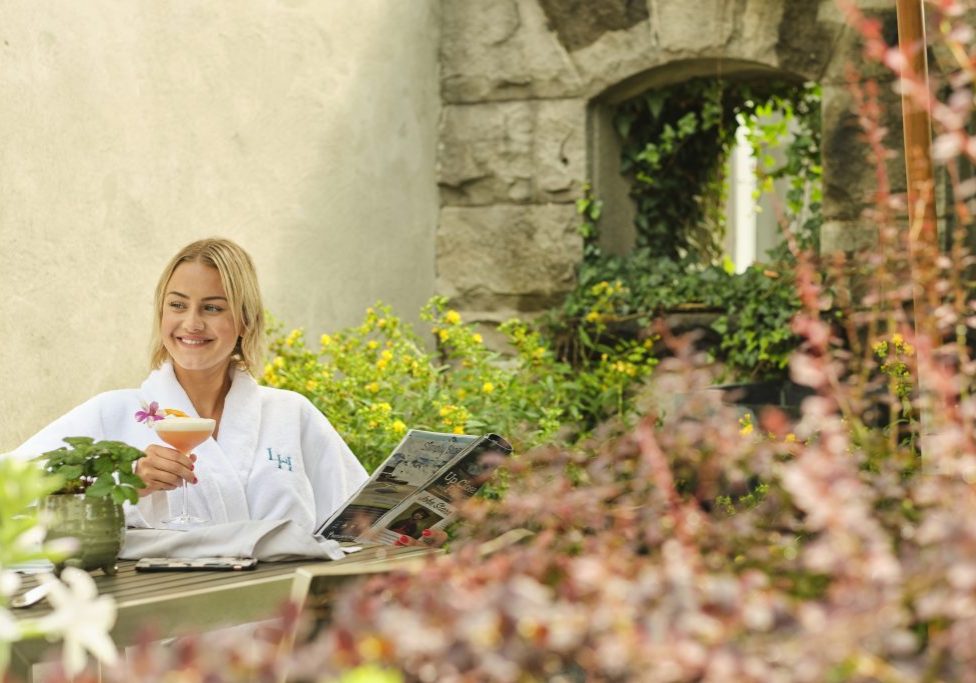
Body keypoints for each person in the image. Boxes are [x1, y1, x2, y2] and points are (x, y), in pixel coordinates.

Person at [11, 238, 368, 532]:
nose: (191, 323)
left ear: (245, 320)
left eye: (212, 308)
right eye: (178, 305)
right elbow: (9, 491)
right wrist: (126, 483)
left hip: (283, 613)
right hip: (165, 613)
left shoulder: (292, 414)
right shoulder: (112, 413)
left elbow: (361, 522)